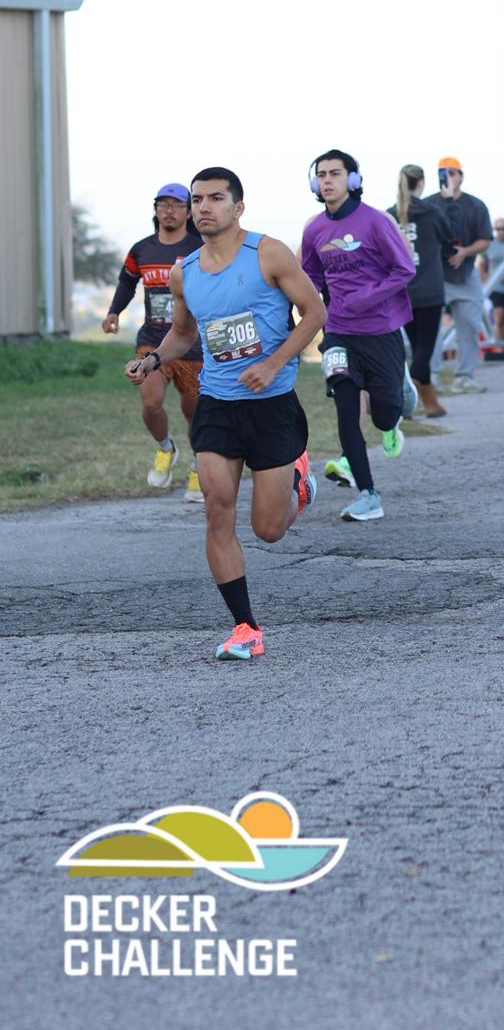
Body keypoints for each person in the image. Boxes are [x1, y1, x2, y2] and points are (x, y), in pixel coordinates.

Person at [126, 166, 324, 660]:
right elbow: (184, 334)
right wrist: (153, 360)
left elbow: (315, 313)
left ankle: (299, 484)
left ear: (238, 207)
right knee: (217, 510)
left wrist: (274, 363)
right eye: (197, 199)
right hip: (217, 404)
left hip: (272, 405)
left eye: (215, 198)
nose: (203, 207)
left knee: (268, 530)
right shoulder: (185, 272)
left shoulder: (268, 253)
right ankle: (245, 628)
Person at [302, 150, 416, 520]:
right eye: (321, 174)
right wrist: (302, 305)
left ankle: (399, 398)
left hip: (381, 331)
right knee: (346, 408)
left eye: (335, 173)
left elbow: (404, 270)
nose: (327, 180)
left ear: (352, 180)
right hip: (338, 332)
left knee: (383, 415)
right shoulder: (314, 229)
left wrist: (366, 297)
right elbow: (310, 277)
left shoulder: (376, 221)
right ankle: (368, 494)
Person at [103, 182, 205, 501]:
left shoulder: (200, 248)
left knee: (195, 413)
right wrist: (114, 312)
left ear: (188, 212)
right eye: (163, 204)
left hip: (191, 343)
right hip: (152, 341)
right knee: (150, 402)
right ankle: (165, 448)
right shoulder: (142, 249)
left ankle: (199, 466)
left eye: (176, 205)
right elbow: (127, 281)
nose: (169, 211)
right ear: (156, 210)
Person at [392, 163, 451, 417]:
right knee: (424, 349)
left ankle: (431, 404)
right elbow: (450, 238)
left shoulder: (389, 215)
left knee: (418, 349)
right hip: (429, 289)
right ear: (421, 183)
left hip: (401, 291)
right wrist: (449, 201)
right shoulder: (432, 211)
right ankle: (404, 393)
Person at [434, 156, 494, 392]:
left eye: (451, 172)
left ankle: (465, 377)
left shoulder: (476, 205)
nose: (447, 177)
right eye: (442, 173)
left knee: (470, 325)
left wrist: (464, 252)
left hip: (466, 274)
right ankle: (430, 378)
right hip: (436, 275)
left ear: (461, 176)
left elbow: (485, 239)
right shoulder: (430, 204)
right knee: (430, 328)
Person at [484, 218, 504, 344]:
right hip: (496, 288)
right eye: (498, 229)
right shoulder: (490, 245)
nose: (501, 231)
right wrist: (487, 283)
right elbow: (482, 265)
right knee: (498, 319)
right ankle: (498, 347)